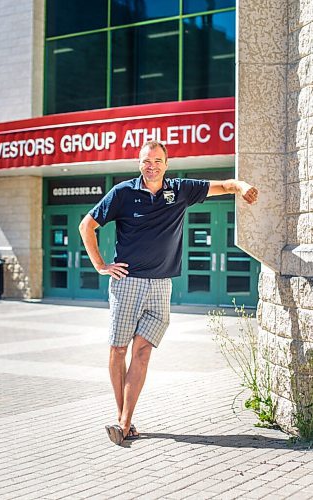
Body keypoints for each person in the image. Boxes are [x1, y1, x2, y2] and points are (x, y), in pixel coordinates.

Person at [79, 140, 258, 445]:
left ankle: (123, 423)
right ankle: (124, 419)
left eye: (158, 161)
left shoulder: (180, 190)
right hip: (128, 282)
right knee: (119, 350)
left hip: (161, 286)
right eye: (146, 161)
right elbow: (87, 225)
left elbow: (225, 185)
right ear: (139, 164)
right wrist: (100, 265)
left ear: (166, 163)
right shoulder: (123, 193)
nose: (152, 166)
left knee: (143, 351)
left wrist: (241, 186)